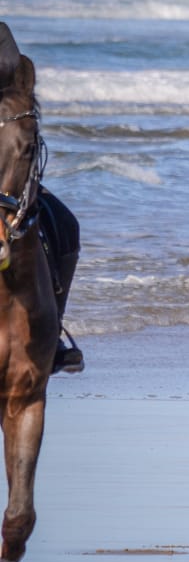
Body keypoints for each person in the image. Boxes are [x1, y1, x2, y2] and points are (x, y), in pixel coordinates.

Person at [0, 23, 83, 374]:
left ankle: (53, 333)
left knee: (64, 223)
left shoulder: (2, 36)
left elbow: (19, 75)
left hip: (8, 168)